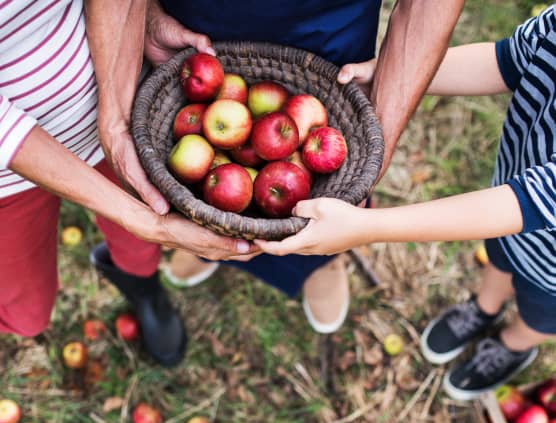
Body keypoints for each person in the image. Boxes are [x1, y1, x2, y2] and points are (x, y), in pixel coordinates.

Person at [255, 6, 556, 400]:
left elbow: (531, 202)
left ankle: (515, 345)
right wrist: (386, 71)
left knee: (540, 311)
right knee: (500, 259)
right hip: (511, 216)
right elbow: (506, 61)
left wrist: (366, 227)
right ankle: (484, 308)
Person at [139, 0, 464, 334]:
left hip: (327, 35)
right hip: (200, 33)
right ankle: (210, 252)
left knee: (324, 205)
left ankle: (320, 265)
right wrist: (147, 12)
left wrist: (382, 131)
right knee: (210, 208)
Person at [0, 0, 256, 366]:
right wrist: (145, 221)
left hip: (117, 103)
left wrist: (144, 16)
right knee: (27, 314)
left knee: (139, 250)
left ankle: (144, 288)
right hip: (6, 178)